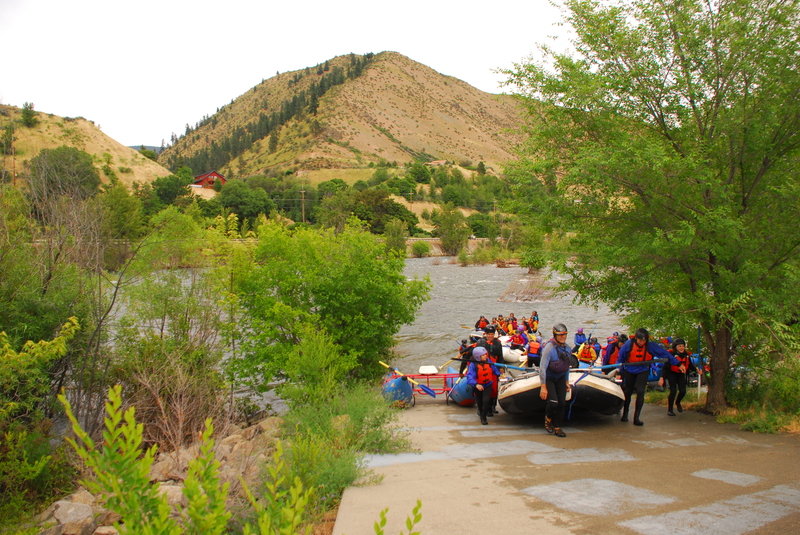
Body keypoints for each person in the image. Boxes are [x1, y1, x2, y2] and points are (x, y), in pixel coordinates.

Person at [616, 328, 681, 426]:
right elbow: (620, 359)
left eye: (644, 341)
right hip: (630, 370)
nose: (642, 343)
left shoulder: (650, 345)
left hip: (643, 370)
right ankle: (625, 415)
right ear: (636, 338)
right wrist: (619, 372)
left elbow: (665, 353)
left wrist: (678, 363)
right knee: (628, 392)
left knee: (640, 392)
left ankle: (636, 418)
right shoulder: (628, 345)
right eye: (640, 340)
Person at [539, 323, 572, 437]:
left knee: (562, 403)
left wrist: (566, 381)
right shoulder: (549, 348)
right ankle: (548, 419)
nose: (563, 337)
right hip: (550, 378)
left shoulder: (568, 349)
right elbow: (542, 367)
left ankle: (557, 427)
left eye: (564, 335)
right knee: (554, 403)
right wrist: (543, 386)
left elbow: (566, 366)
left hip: (561, 377)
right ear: (555, 335)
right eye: (560, 335)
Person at [659, 338, 696, 416]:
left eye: (683, 346)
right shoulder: (671, 356)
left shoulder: (686, 355)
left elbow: (690, 366)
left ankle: (678, 402)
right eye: (679, 346)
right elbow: (665, 368)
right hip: (671, 374)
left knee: (683, 391)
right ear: (675, 347)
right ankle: (670, 410)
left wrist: (697, 370)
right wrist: (662, 377)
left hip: (681, 374)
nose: (681, 348)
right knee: (673, 391)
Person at [466, 347, 499, 425]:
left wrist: (499, 375)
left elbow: (494, 369)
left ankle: (483, 417)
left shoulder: (488, 361)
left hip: (488, 384)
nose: (485, 356)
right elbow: (470, 376)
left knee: (486, 400)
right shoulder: (473, 365)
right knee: (480, 401)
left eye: (485, 354)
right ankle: (481, 413)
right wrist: (476, 384)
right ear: (478, 357)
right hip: (478, 385)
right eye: (483, 355)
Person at [476, 325, 504, 414]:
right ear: (486, 334)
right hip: (484, 367)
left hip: (494, 368)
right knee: (483, 389)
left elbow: (500, 356)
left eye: (492, 334)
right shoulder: (481, 342)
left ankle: (492, 406)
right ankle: (482, 408)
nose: (490, 336)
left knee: (494, 389)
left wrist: (501, 368)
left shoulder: (498, 343)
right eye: (488, 334)